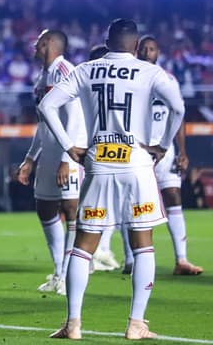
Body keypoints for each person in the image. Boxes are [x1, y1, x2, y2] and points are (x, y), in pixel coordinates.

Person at [39, 19, 184, 340]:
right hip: (136, 164)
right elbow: (177, 107)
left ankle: (72, 324)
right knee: (142, 244)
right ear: (135, 46)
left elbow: (47, 105)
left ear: (106, 41)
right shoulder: (150, 72)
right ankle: (136, 324)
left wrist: (69, 145)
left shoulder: (86, 70)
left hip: (99, 162)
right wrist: (163, 144)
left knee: (83, 246)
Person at [17, 30, 87, 296]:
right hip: (47, 152)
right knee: (45, 208)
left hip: (66, 153)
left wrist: (67, 159)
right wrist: (30, 158)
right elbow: (43, 122)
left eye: (37, 42)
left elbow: (75, 115)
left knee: (70, 209)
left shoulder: (65, 71)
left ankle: (68, 274)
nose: (34, 46)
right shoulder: (42, 77)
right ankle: (59, 271)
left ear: (47, 44)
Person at [135, 35, 203, 276]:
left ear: (158, 52)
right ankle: (131, 259)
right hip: (139, 150)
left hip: (165, 150)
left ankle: (181, 260)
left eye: (151, 49)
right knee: (135, 206)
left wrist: (182, 151)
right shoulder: (132, 79)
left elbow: (179, 115)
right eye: (142, 48)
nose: (146, 52)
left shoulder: (168, 80)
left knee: (173, 197)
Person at [85, 44, 122, 273]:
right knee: (98, 205)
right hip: (96, 149)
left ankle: (102, 249)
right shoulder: (91, 87)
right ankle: (92, 253)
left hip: (110, 149)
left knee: (112, 205)